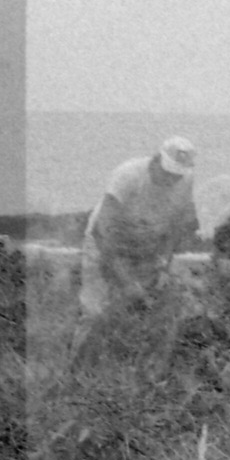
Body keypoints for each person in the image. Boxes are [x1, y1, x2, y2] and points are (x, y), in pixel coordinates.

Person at [75, 135, 201, 363]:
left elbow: (178, 225)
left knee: (146, 314)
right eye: (167, 172)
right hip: (107, 244)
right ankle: (77, 372)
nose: (171, 179)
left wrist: (163, 262)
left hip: (146, 247)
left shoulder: (186, 180)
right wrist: (125, 279)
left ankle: (129, 370)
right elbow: (103, 231)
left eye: (176, 175)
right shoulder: (128, 175)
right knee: (96, 313)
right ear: (156, 160)